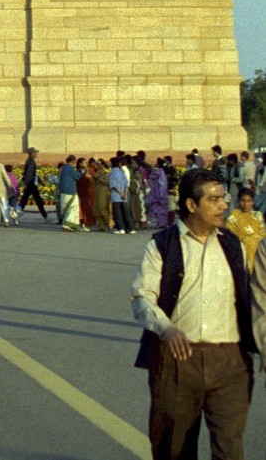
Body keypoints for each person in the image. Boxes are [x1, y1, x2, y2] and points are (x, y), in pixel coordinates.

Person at [132, 167, 255, 460]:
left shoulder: (231, 243)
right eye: (213, 199)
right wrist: (167, 328)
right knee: (174, 448)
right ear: (191, 204)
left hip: (229, 362)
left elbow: (251, 298)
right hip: (177, 361)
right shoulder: (162, 245)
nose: (224, 205)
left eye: (223, 198)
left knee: (229, 447)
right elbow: (142, 297)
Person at [226, 187, 266, 272]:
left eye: (249, 201)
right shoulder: (233, 216)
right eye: (243, 200)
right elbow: (229, 236)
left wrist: (252, 240)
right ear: (238, 201)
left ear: (253, 202)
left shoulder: (257, 215)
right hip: (241, 252)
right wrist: (247, 240)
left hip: (258, 251)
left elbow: (262, 235)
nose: (245, 204)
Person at [18, 149, 49, 221]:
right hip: (31, 184)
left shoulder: (29, 161)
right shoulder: (31, 162)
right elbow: (29, 174)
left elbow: (32, 174)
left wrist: (40, 181)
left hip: (30, 183)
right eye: (35, 152)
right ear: (31, 153)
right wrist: (26, 184)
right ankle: (45, 216)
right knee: (38, 200)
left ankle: (16, 213)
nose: (36, 154)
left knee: (23, 201)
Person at [57, 155, 82, 231]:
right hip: (70, 190)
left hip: (63, 191)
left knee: (66, 208)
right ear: (73, 161)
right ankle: (67, 224)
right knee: (73, 207)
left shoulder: (63, 167)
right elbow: (79, 176)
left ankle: (69, 224)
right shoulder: (70, 168)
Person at [110, 156, 133, 235]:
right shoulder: (122, 172)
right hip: (124, 196)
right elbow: (127, 184)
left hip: (116, 196)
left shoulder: (112, 173)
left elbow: (114, 185)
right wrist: (125, 194)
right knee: (126, 213)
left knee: (117, 213)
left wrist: (120, 194)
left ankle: (121, 228)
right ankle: (130, 228)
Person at [146, 160, 171, 230]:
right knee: (161, 211)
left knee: (159, 211)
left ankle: (161, 224)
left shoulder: (158, 172)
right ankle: (161, 223)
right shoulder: (162, 172)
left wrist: (160, 195)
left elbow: (161, 185)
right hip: (159, 194)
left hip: (158, 195)